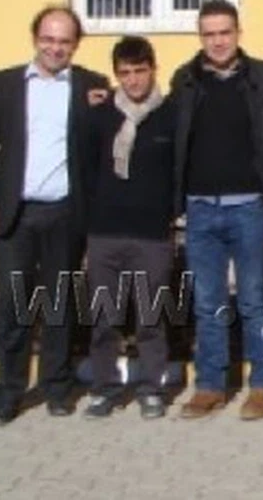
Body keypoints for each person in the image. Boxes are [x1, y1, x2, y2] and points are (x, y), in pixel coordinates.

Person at [0, 5, 110, 425]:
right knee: (12, 306)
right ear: (35, 38)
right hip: (16, 214)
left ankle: (57, 387)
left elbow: (103, 146)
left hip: (65, 212)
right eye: (48, 39)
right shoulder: (2, 85)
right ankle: (9, 392)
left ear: (76, 45)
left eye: (64, 41)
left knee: (59, 304)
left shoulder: (92, 87)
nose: (55, 48)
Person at [172, 0, 263, 421]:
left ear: (238, 33)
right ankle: (210, 386)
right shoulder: (185, 80)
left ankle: (262, 385)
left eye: (225, 32)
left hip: (248, 207)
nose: (218, 41)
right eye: (209, 34)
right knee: (207, 302)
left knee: (254, 299)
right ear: (200, 37)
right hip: (200, 208)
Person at [82, 35, 179, 420]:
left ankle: (151, 388)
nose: (134, 80)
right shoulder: (101, 115)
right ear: (116, 75)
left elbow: (178, 170)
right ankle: (104, 389)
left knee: (150, 318)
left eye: (140, 71)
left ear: (153, 69)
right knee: (104, 318)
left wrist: (170, 215)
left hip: (151, 234)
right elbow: (86, 168)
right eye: (125, 73)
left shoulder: (170, 115)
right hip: (105, 232)